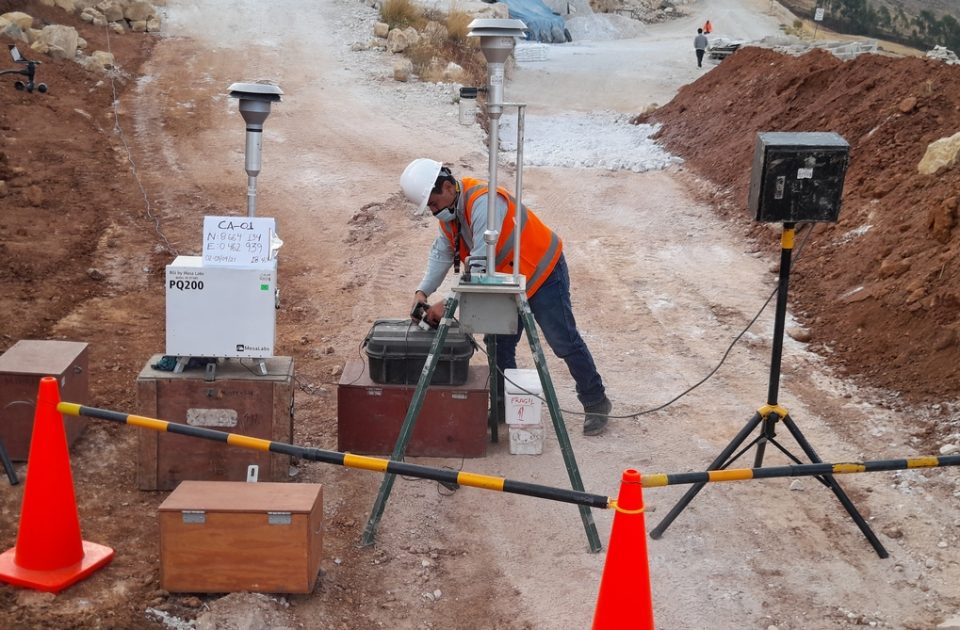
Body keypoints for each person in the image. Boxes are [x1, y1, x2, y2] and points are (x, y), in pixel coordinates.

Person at [399, 158, 612, 436]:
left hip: (541, 273)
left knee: (563, 341)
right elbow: (441, 254)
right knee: (499, 344)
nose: (432, 211)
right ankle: (501, 409)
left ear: (448, 187)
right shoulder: (450, 215)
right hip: (504, 281)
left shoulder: (484, 203)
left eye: (432, 202)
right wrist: (422, 292)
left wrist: (445, 305)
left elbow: (479, 265)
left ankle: (595, 400)